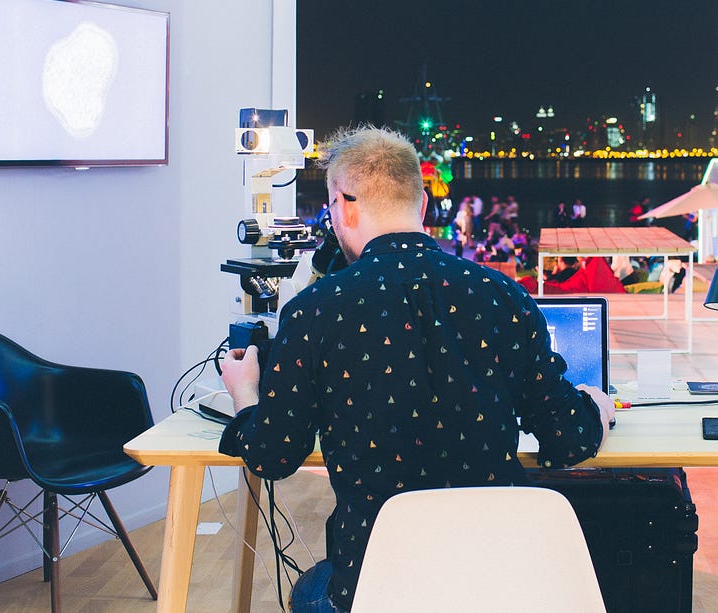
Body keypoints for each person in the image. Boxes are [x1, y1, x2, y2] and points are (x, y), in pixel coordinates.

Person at [218, 126, 614, 613]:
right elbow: (569, 439)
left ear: (343, 208)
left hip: (376, 583)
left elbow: (272, 457)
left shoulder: (315, 310)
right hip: (499, 577)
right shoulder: (502, 295)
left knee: (309, 591)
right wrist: (595, 407)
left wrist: (245, 393)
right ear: (422, 204)